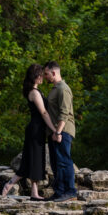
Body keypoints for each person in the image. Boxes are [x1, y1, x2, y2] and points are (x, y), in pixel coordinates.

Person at [2, 64, 58, 200]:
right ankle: (9, 184)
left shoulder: (36, 91)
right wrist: (54, 129)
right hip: (35, 129)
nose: (43, 78)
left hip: (38, 130)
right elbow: (44, 113)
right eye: (41, 75)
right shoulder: (34, 92)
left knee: (35, 160)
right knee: (31, 160)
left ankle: (34, 192)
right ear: (36, 76)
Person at [44, 61, 78, 202]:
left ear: (53, 72)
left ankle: (70, 192)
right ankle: (59, 192)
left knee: (64, 161)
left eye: (46, 74)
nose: (45, 77)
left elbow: (64, 112)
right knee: (56, 163)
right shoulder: (55, 88)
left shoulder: (63, 88)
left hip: (62, 131)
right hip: (55, 132)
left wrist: (58, 132)